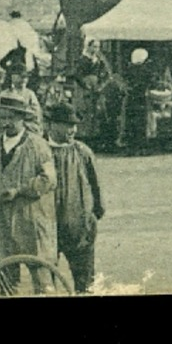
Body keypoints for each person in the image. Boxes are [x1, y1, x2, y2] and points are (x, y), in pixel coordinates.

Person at [0, 94, 58, 290]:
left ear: (22, 118)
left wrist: (19, 190)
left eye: (11, 118)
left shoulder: (38, 145)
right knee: (7, 281)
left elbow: (49, 179)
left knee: (42, 279)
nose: (6, 123)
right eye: (3, 117)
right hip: (1, 223)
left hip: (31, 222)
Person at [45, 102, 105, 293]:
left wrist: (91, 217)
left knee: (86, 284)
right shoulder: (39, 151)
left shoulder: (82, 152)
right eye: (67, 125)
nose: (72, 130)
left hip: (79, 230)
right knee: (46, 284)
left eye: (74, 125)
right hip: (47, 229)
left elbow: (96, 190)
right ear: (52, 125)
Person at [0, 47, 43, 133]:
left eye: (25, 77)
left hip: (27, 125)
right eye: (20, 77)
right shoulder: (5, 93)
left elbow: (37, 114)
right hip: (8, 124)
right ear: (12, 77)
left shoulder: (29, 94)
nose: (23, 80)